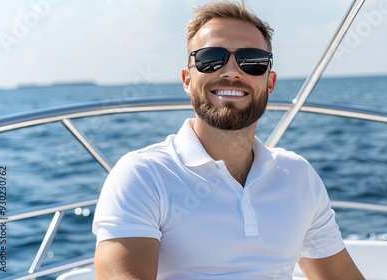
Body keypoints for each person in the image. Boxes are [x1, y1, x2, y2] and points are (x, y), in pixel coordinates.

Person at [93, 1, 364, 279]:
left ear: (270, 83)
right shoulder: (144, 175)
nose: (232, 72)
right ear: (187, 79)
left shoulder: (298, 175)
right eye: (211, 58)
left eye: (252, 62)